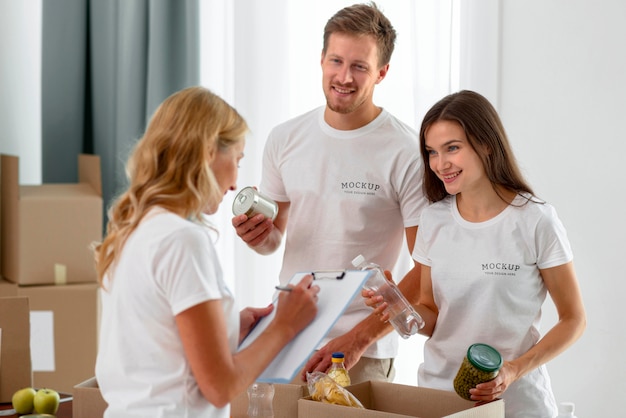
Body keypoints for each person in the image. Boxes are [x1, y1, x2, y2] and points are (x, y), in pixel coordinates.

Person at [93, 86, 320, 418]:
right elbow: (219, 388)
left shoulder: (132, 229)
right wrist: (285, 325)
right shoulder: (183, 240)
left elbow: (156, 343)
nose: (235, 184)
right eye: (237, 160)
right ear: (208, 152)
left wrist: (228, 328)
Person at [232, 2, 428, 384]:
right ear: (321, 59)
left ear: (382, 72)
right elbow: (275, 240)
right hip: (286, 336)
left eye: (360, 66)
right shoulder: (285, 138)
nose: (344, 77)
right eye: (336, 61)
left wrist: (357, 340)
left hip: (360, 353)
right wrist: (258, 236)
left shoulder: (406, 151)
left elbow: (425, 272)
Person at [367, 90, 586, 417]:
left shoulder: (535, 220)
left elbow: (574, 319)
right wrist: (399, 308)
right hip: (440, 399)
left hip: (516, 403)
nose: (441, 164)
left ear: (485, 143)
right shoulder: (433, 220)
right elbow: (432, 312)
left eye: (452, 148)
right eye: (432, 152)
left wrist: (513, 370)